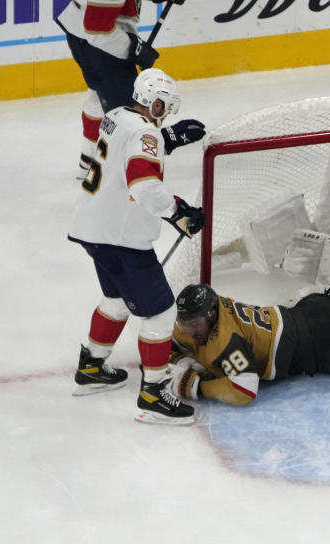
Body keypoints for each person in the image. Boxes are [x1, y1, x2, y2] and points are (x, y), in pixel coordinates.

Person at [69, 68, 206, 425]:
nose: (165, 115)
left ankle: (92, 366)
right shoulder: (147, 132)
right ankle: (153, 396)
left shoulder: (115, 116)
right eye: (165, 107)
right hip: (122, 238)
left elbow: (126, 150)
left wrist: (168, 138)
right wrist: (179, 211)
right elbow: (144, 184)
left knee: (115, 300)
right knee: (160, 313)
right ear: (156, 102)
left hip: (93, 228)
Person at [56, 0, 195, 178]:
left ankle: (89, 160)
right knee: (130, 110)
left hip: (85, 33)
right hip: (97, 43)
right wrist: (134, 49)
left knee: (98, 95)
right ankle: (119, 170)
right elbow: (97, 29)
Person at [167, 284, 330, 405]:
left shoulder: (227, 340)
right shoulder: (202, 314)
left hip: (324, 346)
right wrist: (184, 361)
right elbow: (174, 344)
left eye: (194, 324)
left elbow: (244, 390)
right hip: (314, 306)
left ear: (211, 315)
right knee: (318, 300)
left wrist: (198, 387)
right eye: (184, 322)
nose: (188, 330)